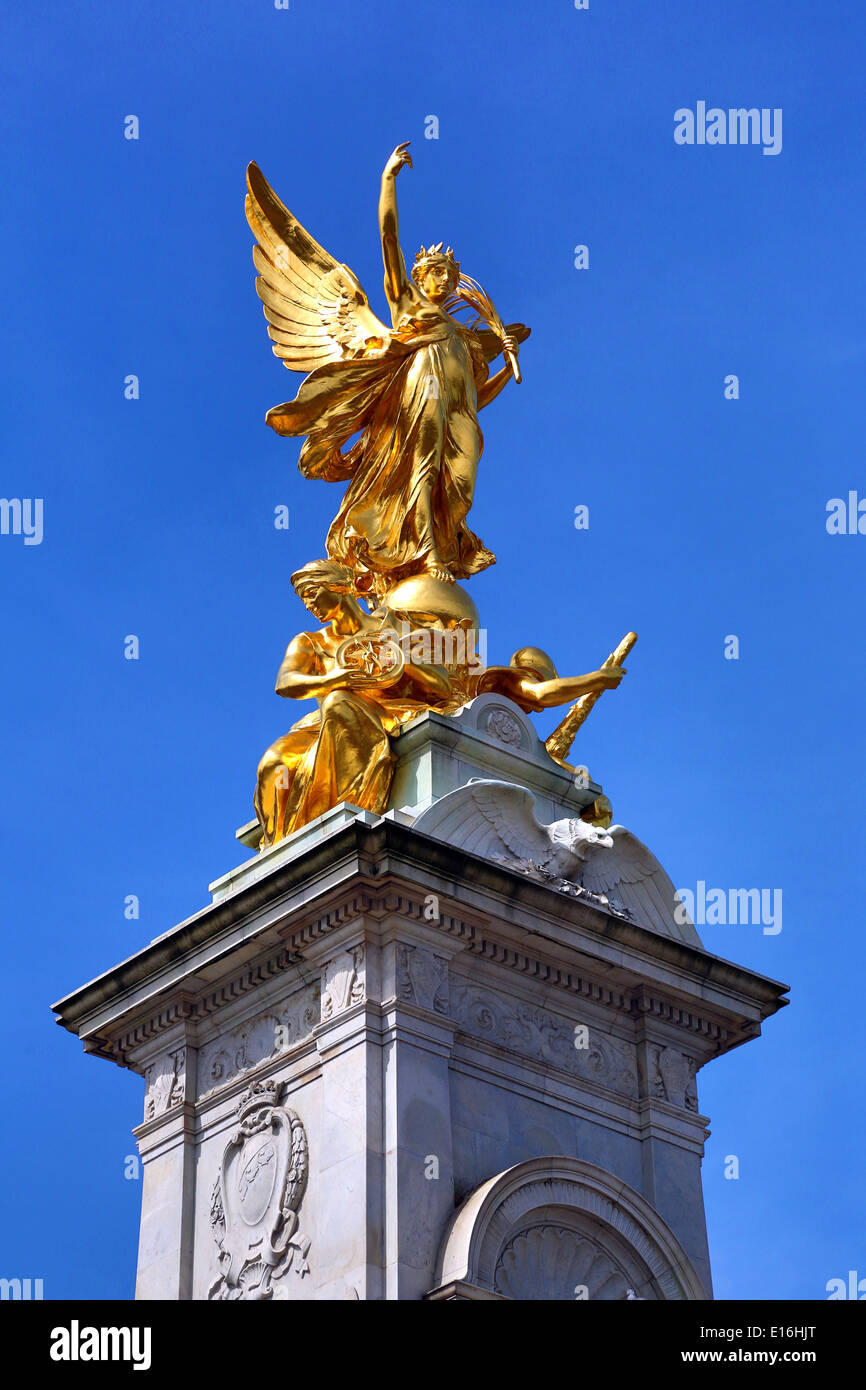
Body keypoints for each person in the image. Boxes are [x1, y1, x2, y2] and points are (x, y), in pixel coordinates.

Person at [254, 560, 451, 847]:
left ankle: (344, 816)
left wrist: (399, 657)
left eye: (311, 593)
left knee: (339, 704)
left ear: (338, 586)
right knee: (274, 762)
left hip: (386, 712)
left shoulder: (395, 625)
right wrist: (334, 678)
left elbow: (442, 685)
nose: (308, 605)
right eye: (303, 598)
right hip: (325, 720)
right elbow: (285, 683)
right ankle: (279, 851)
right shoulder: (310, 641)